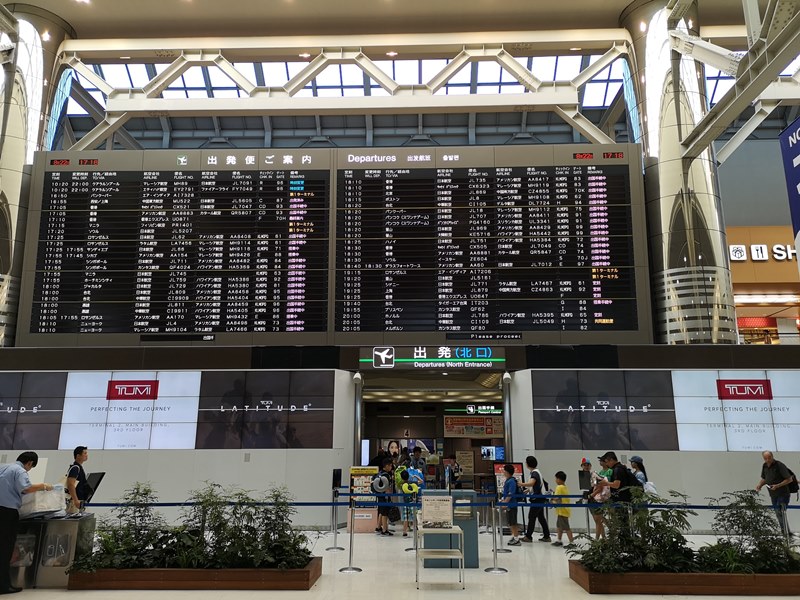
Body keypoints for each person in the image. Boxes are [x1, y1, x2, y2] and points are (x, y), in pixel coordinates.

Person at [0, 452, 54, 595]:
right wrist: (44, 486)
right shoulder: (20, 471)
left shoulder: (4, 467)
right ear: (29, 463)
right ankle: (3, 585)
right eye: (31, 467)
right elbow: (26, 488)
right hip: (7, 511)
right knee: (5, 549)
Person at [756, 450, 794, 536]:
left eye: (769, 457)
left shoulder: (779, 465)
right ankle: (786, 531)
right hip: (773, 494)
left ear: (772, 456)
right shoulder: (765, 466)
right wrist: (760, 485)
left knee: (780, 512)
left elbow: (789, 479)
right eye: (765, 458)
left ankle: (786, 532)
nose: (767, 460)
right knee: (778, 513)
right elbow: (765, 478)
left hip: (783, 493)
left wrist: (777, 485)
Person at [519, 455, 550, 543]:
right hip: (541, 498)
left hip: (537, 498)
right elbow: (537, 485)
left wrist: (521, 484)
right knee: (541, 517)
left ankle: (528, 536)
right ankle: (547, 536)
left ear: (528, 464)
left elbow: (532, 483)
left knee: (531, 517)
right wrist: (528, 490)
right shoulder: (537, 472)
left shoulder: (534, 473)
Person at [499, 463, 522, 546]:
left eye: (504, 471)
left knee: (513, 522)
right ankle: (514, 536)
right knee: (510, 522)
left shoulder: (511, 481)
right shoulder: (509, 480)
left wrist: (505, 502)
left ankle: (516, 538)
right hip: (509, 504)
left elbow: (510, 493)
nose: (503, 472)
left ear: (508, 472)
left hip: (512, 505)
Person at [551, 471, 574, 548]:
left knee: (566, 527)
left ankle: (572, 542)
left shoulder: (559, 487)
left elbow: (557, 497)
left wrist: (551, 499)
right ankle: (559, 540)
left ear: (559, 479)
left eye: (556, 478)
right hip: (564, 509)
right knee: (559, 526)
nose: (555, 480)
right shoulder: (564, 487)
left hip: (562, 510)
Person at [373, 457, 395, 536]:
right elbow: (388, 488)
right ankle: (385, 530)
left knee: (381, 511)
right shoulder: (386, 475)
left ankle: (378, 527)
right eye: (390, 466)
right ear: (386, 466)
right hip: (385, 496)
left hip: (379, 495)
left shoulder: (380, 473)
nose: (391, 467)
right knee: (385, 513)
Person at [67, 446, 90, 513]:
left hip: (79, 500)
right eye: (85, 453)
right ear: (78, 455)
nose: (86, 455)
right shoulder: (75, 468)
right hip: (75, 502)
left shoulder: (79, 467)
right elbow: (70, 484)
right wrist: (75, 500)